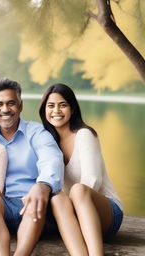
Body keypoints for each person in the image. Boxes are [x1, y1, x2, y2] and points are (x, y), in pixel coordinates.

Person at [0, 78, 64, 256]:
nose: (5, 109)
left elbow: (52, 159)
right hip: (1, 210)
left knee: (33, 199)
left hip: (36, 207)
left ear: (20, 105)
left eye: (11, 103)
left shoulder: (37, 133)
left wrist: (43, 185)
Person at [39, 83, 123, 256]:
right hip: (75, 216)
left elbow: (93, 180)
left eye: (63, 105)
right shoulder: (47, 142)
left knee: (77, 190)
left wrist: (73, 210)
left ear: (73, 109)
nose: (56, 110)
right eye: (51, 105)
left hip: (106, 213)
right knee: (56, 199)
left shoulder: (84, 134)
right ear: (44, 110)